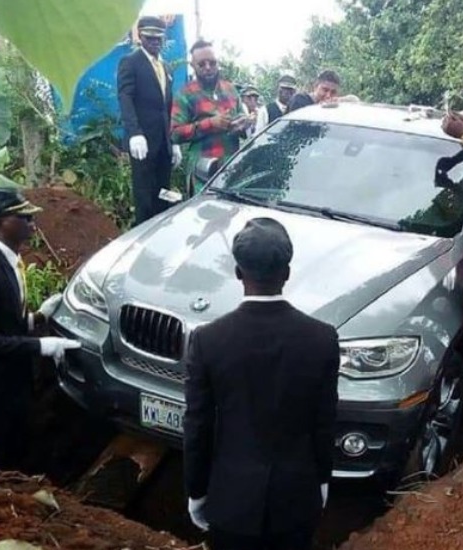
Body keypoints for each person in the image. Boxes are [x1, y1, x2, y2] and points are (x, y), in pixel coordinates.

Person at [183, 218, 340, 550]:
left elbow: (197, 427)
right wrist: (322, 481)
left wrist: (197, 492)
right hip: (297, 500)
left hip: (230, 503)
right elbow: (324, 423)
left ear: (239, 273)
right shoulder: (323, 339)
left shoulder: (207, 340)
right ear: (287, 272)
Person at [0, 188, 81, 469]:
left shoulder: (8, 263)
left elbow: (1, 322)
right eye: (23, 218)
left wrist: (38, 318)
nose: (32, 224)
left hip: (6, 393)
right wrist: (41, 346)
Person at [117, 16, 182, 226]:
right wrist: (135, 132)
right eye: (150, 38)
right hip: (142, 142)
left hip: (164, 141)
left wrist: (174, 140)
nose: (155, 42)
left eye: (158, 38)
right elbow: (125, 97)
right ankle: (144, 235)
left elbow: (168, 107)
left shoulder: (166, 67)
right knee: (144, 193)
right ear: (140, 37)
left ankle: (161, 230)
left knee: (163, 191)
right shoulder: (131, 62)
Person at [171, 40, 250, 196]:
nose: (208, 67)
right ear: (193, 66)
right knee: (204, 217)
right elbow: (174, 133)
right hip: (203, 172)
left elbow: (241, 118)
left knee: (231, 217)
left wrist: (242, 125)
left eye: (212, 63)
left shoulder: (230, 89)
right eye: (202, 64)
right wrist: (210, 124)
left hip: (231, 169)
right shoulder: (186, 94)